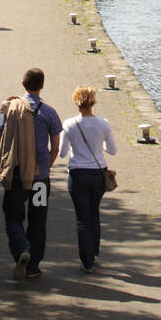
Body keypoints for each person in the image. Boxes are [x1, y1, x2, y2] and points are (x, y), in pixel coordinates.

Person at [0, 70, 61, 281]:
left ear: (22, 83)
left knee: (13, 217)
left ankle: (22, 249)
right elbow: (55, 147)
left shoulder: (9, 108)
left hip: (16, 175)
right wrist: (45, 167)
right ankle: (33, 266)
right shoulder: (49, 112)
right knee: (38, 219)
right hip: (39, 179)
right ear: (42, 86)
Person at [60, 86, 117, 274]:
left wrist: (74, 150)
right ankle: (94, 252)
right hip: (98, 173)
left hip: (78, 173)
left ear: (76, 102)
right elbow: (113, 150)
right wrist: (99, 145)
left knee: (82, 218)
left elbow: (62, 153)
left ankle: (86, 261)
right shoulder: (104, 123)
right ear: (93, 102)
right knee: (94, 213)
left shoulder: (69, 124)